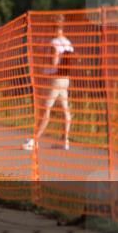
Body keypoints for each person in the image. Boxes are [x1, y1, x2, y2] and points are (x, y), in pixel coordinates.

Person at [23, 15, 75, 151]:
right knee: (65, 109)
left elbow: (54, 62)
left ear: (53, 27)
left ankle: (34, 139)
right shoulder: (68, 43)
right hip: (65, 79)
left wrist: (43, 57)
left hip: (54, 79)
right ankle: (65, 140)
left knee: (46, 109)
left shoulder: (54, 43)